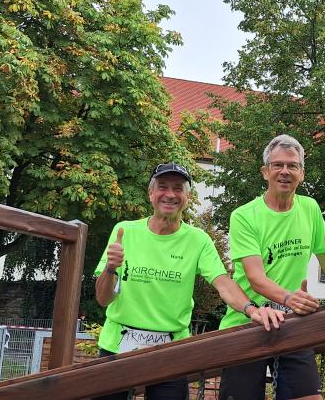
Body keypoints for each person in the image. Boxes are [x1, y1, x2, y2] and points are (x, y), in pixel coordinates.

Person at [93, 162, 284, 400]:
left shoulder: (198, 240)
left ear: (188, 197)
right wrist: (111, 267)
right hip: (117, 344)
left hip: (171, 350)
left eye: (178, 188)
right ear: (151, 194)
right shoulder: (125, 231)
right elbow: (103, 298)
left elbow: (222, 282)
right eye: (162, 187)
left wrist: (251, 309)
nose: (170, 194)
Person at [218, 135, 325, 400]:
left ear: (302, 173)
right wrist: (291, 298)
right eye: (277, 165)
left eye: (292, 166)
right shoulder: (244, 216)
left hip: (292, 324)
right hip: (249, 322)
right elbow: (256, 278)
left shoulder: (310, 208)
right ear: (265, 172)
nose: (285, 171)